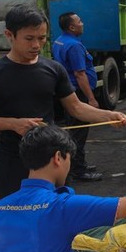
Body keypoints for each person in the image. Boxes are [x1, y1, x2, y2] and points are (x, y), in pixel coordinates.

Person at [0, 5, 126, 199]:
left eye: (41, 38)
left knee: (56, 211)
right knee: (17, 213)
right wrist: (13, 124)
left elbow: (76, 107)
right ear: (9, 35)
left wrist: (109, 115)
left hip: (51, 161)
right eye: (29, 39)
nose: (36, 45)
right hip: (13, 160)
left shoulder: (53, 69)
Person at [51, 12, 102, 182]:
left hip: (68, 91)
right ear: (72, 27)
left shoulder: (59, 41)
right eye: (79, 21)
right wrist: (91, 98)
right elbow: (80, 74)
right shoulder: (74, 46)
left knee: (74, 130)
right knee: (79, 133)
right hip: (77, 93)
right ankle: (78, 170)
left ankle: (77, 164)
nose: (82, 23)